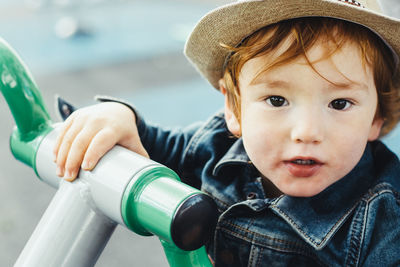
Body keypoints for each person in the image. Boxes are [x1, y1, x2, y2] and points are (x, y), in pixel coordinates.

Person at [53, 0, 400, 265]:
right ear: (234, 110)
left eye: (339, 104)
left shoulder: (386, 217)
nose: (306, 132)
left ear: (376, 118)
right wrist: (120, 116)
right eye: (277, 99)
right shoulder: (214, 145)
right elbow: (149, 143)